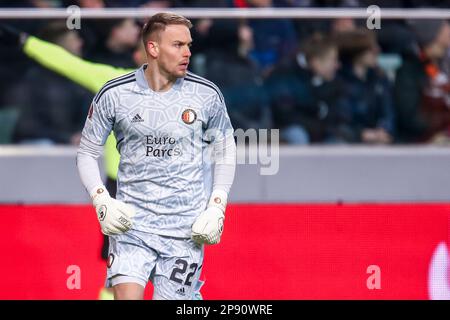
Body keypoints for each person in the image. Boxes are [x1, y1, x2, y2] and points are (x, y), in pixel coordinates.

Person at [76, 12, 236, 300]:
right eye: (177, 45)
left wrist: (217, 206)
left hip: (185, 231)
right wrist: (101, 199)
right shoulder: (115, 93)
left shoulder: (206, 95)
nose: (187, 52)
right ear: (153, 48)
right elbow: (87, 152)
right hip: (131, 226)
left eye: (189, 45)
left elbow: (226, 150)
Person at [265, 34, 342, 144]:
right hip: (284, 128)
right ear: (316, 62)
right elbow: (284, 114)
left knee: (338, 143)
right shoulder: (284, 74)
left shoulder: (330, 81)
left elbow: (334, 114)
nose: (337, 65)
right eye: (332, 60)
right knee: (298, 135)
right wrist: (318, 127)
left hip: (318, 129)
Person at [335, 29, 395, 144]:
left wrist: (383, 130)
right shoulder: (339, 81)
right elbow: (340, 120)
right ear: (357, 53)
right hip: (350, 141)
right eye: (371, 49)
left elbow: (388, 112)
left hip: (380, 139)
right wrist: (362, 134)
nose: (378, 51)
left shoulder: (380, 79)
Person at [395, 19, 450, 143]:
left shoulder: (443, 65)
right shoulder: (409, 71)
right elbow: (409, 116)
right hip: (422, 141)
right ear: (434, 34)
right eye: (445, 27)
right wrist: (439, 130)